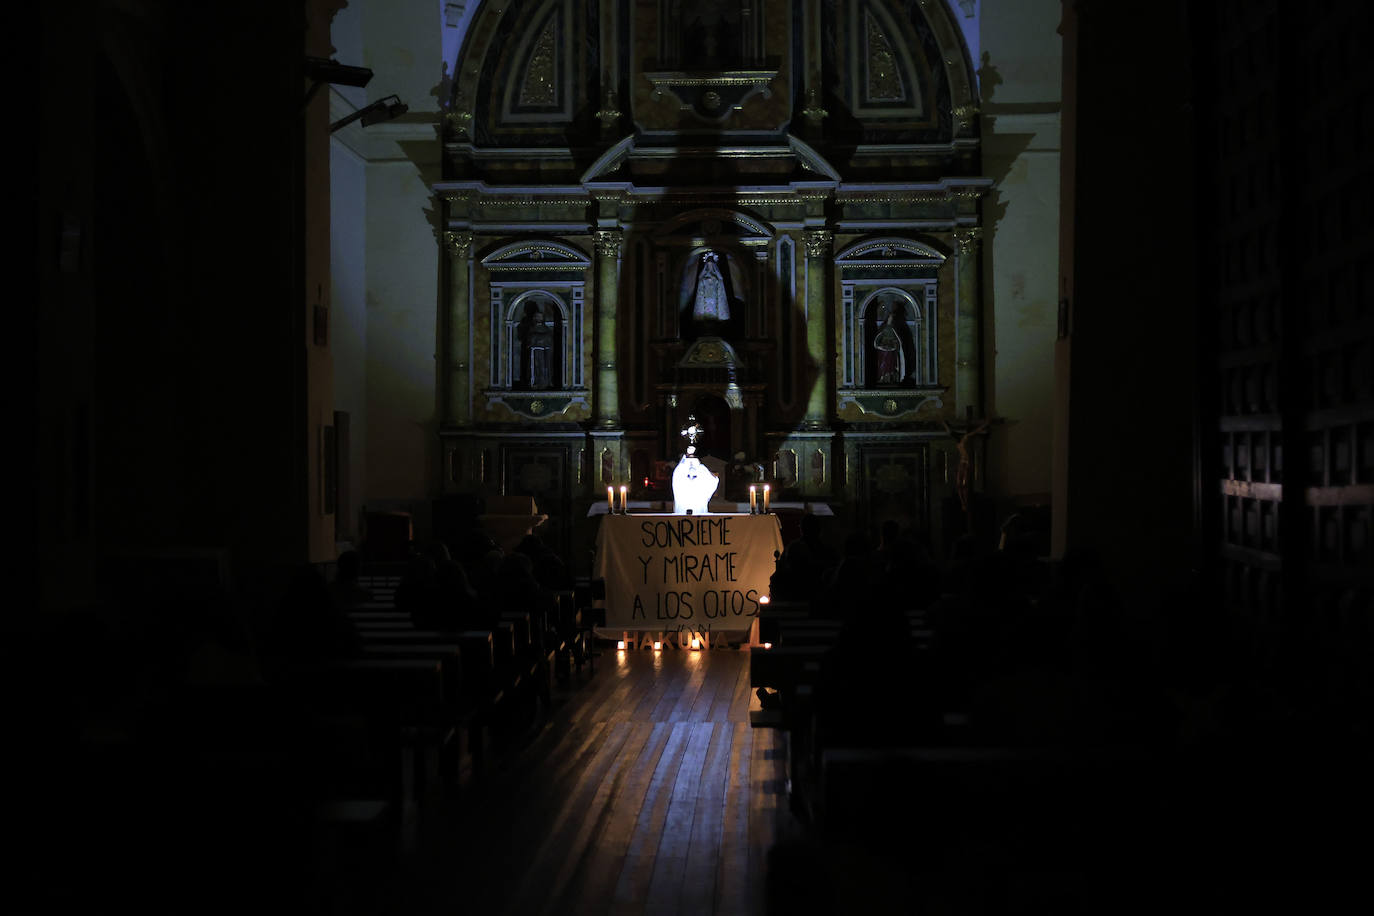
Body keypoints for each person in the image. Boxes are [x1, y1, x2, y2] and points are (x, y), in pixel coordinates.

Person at [873, 304, 903, 385]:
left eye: (891, 318)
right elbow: (878, 339)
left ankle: (890, 378)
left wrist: (893, 345)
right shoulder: (883, 328)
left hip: (891, 351)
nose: (890, 319)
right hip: (882, 350)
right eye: (889, 318)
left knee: (890, 364)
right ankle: (882, 377)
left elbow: (898, 341)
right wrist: (881, 345)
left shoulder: (894, 329)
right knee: (883, 364)